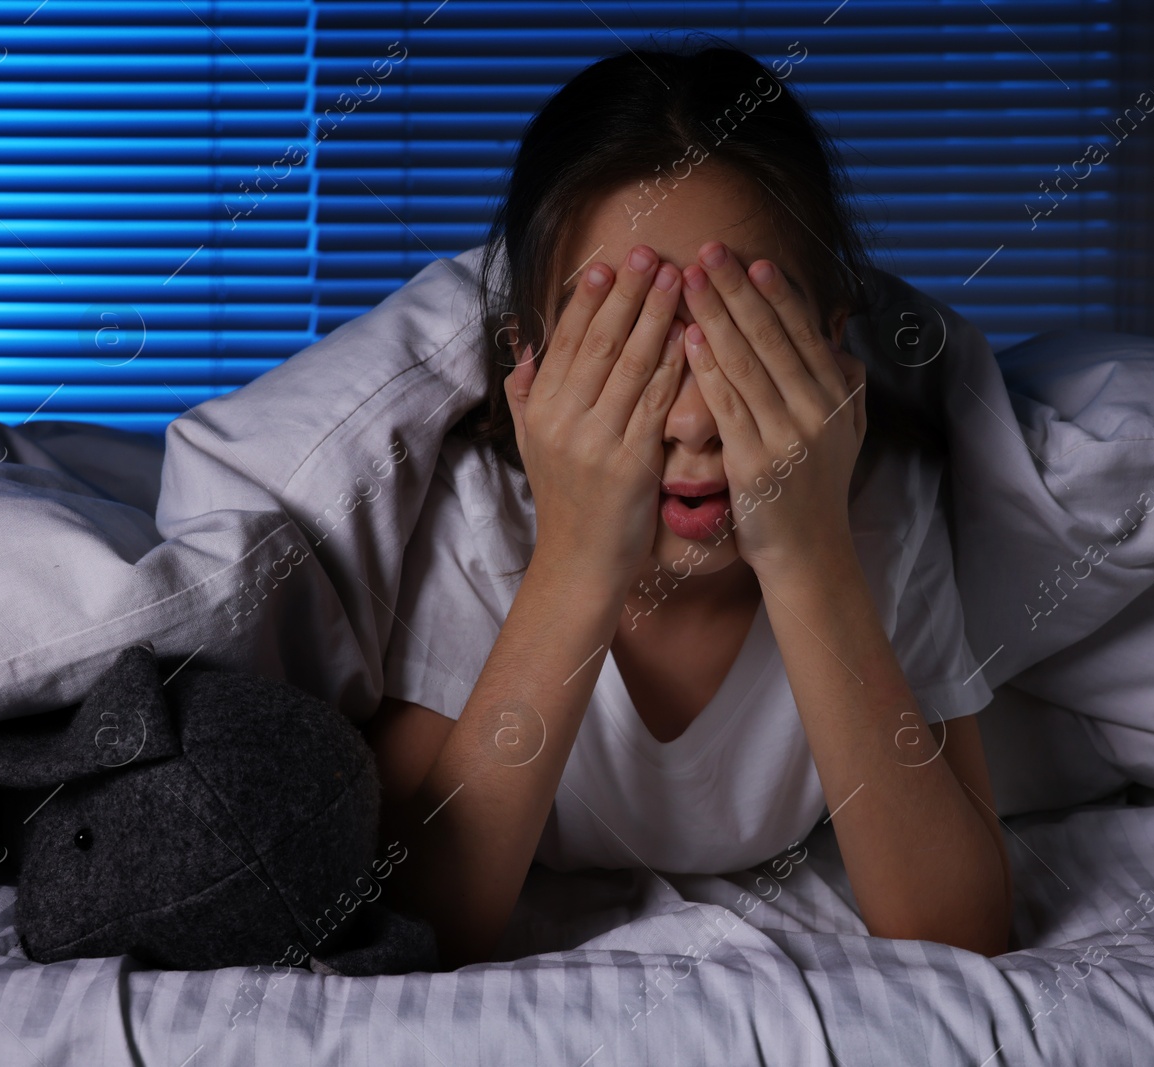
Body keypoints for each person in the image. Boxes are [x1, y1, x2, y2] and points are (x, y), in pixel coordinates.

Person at [362, 39, 1011, 969]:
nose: (699, 418)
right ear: (529, 373)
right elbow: (418, 921)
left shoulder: (884, 512)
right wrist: (579, 558)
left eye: (745, 343)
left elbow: (959, 928)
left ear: (831, 357)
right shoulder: (473, 523)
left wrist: (808, 549)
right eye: (630, 346)